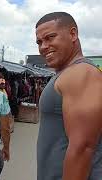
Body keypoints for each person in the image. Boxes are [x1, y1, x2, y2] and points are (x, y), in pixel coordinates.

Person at [36, 12, 102, 180]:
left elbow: (83, 147)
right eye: (39, 42)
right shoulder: (66, 73)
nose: (43, 46)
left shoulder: (81, 73)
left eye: (50, 37)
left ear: (73, 34)